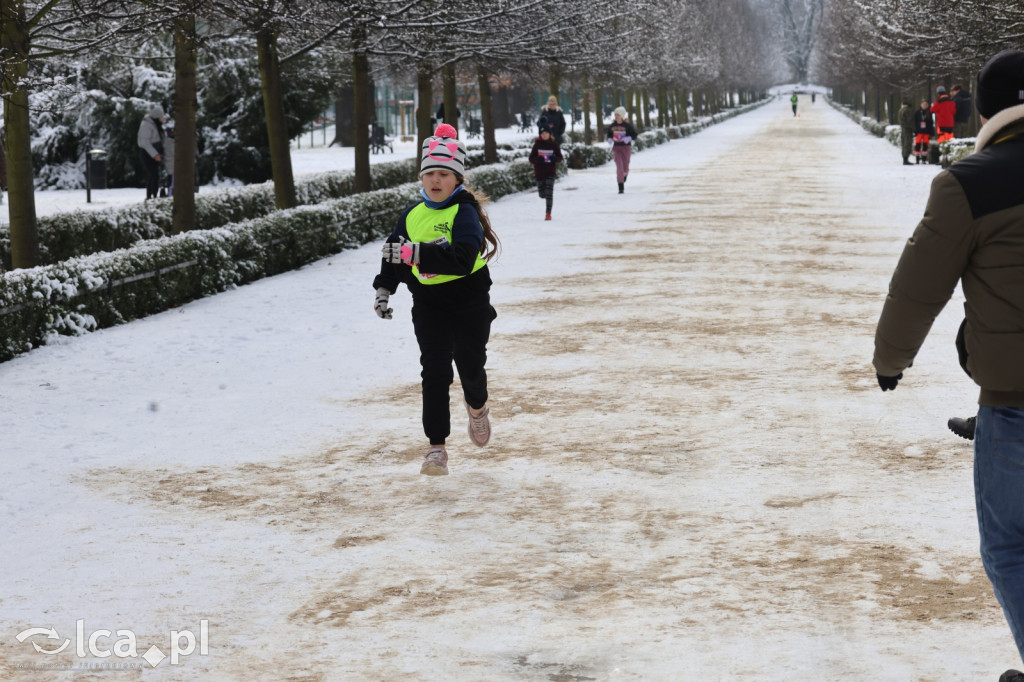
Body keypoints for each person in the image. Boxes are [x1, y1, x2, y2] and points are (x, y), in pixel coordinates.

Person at [872, 49, 1024, 680]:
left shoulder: (969, 183)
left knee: (1012, 548)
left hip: (1014, 404)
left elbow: (919, 285)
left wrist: (891, 360)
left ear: (983, 111)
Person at [372, 123, 500, 476]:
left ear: (457, 179)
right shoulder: (411, 215)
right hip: (429, 303)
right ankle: (436, 448)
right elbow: (394, 252)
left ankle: (477, 408)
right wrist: (384, 288)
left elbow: (461, 259)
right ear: (421, 177)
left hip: (470, 300)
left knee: (470, 367)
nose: (436, 180)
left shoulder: (464, 212)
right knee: (435, 371)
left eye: (444, 173)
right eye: (430, 173)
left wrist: (418, 254)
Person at [528, 119, 563, 221]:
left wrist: (555, 159)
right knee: (542, 194)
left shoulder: (554, 144)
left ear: (549, 134)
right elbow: (531, 158)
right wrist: (537, 160)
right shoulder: (537, 145)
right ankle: (543, 196)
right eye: (542, 133)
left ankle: (548, 213)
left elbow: (560, 157)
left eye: (546, 133)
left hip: (550, 172)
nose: (544, 135)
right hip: (539, 173)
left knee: (549, 193)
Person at [137, 103, 166, 200]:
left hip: (155, 152)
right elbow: (145, 142)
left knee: (153, 175)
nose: (163, 117)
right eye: (161, 116)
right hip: (148, 153)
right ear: (157, 116)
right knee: (153, 175)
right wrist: (155, 154)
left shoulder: (155, 124)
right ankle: (152, 196)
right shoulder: (147, 125)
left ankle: (152, 196)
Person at [606, 106, 637, 194]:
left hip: (626, 148)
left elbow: (634, 134)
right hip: (616, 148)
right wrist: (610, 139)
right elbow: (609, 134)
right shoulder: (612, 126)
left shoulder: (627, 126)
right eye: (615, 115)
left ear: (622, 116)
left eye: (618, 115)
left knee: (625, 166)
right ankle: (620, 186)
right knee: (619, 166)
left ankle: (625, 174)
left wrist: (628, 138)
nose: (616, 116)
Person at [913, 98, 934, 164]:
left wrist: (931, 132)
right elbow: (915, 122)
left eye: (926, 104)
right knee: (917, 145)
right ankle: (917, 159)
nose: (924, 105)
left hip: (926, 132)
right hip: (919, 131)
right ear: (921, 105)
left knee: (925, 145)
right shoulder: (917, 112)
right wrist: (915, 130)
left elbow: (931, 123)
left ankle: (924, 159)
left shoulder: (929, 113)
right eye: (923, 104)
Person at [160, 120, 175, 197]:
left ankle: (170, 194)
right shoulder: (174, 143)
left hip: (167, 165)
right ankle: (170, 195)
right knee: (172, 182)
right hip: (174, 165)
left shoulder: (165, 141)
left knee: (170, 181)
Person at [898, 99, 915, 165]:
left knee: (904, 143)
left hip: (903, 129)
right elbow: (910, 121)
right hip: (908, 129)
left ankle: (905, 158)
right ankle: (906, 158)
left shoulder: (901, 110)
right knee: (907, 143)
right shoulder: (909, 110)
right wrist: (914, 128)